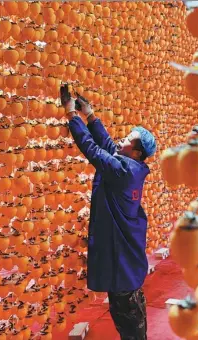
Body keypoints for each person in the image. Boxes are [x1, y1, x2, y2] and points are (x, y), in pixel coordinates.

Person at [62, 94, 156, 340]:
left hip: (124, 268)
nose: (120, 140)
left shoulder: (124, 171)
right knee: (127, 316)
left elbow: (94, 151)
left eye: (127, 139)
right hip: (126, 266)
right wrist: (90, 116)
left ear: (136, 152)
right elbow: (107, 145)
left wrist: (72, 116)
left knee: (129, 321)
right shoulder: (129, 165)